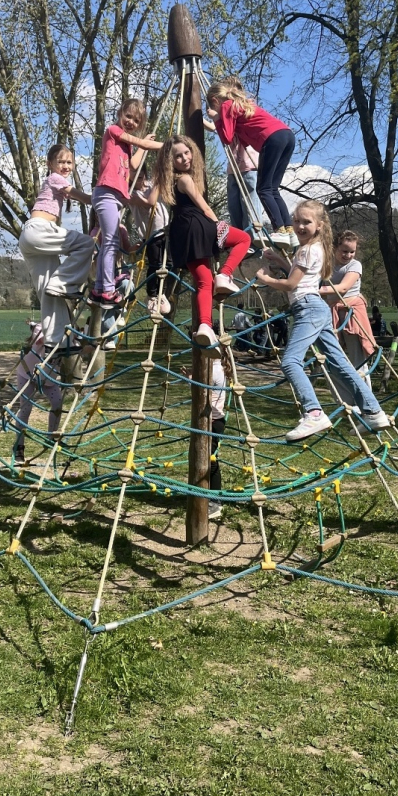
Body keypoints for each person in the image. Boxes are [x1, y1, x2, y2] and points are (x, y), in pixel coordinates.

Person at [256, 199, 390, 441]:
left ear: (318, 225)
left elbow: (291, 284)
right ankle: (373, 411)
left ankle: (314, 413)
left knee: (290, 361)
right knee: (339, 363)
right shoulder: (316, 248)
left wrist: (265, 279)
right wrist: (278, 260)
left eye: (306, 222)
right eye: (296, 221)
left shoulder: (306, 250)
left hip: (308, 308)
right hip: (316, 308)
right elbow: (300, 275)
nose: (299, 226)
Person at [151, 134, 251, 351]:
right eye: (178, 156)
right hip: (198, 225)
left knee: (204, 282)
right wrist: (218, 226)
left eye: (187, 152)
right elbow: (204, 207)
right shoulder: (185, 179)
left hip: (181, 233)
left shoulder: (168, 181)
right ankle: (225, 274)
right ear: (171, 161)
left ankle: (205, 326)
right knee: (244, 238)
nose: (185, 158)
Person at [18, 144, 95, 350]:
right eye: (61, 162)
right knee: (86, 243)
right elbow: (80, 195)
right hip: (39, 229)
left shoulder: (54, 182)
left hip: (30, 238)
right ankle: (64, 283)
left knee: (48, 291)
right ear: (50, 164)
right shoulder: (54, 178)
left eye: (69, 162)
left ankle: (57, 341)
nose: (65, 166)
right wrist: (101, 198)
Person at [206, 79, 295, 249]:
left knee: (263, 189)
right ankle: (289, 230)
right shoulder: (242, 104)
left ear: (215, 101)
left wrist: (217, 119)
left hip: (271, 138)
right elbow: (245, 138)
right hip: (287, 135)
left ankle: (280, 230)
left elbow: (227, 138)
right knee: (273, 189)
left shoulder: (226, 105)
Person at [90, 99, 161, 309]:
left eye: (136, 120)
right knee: (110, 242)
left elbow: (133, 165)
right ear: (120, 113)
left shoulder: (127, 145)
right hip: (105, 192)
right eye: (128, 116)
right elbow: (141, 143)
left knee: (110, 242)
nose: (131, 122)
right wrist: (167, 146)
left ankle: (99, 290)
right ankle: (107, 289)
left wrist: (144, 146)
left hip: (115, 197)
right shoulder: (113, 131)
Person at [319, 229, 377, 399]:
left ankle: (367, 401)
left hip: (351, 313)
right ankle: (345, 400)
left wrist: (314, 290)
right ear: (335, 248)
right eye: (344, 251)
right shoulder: (327, 264)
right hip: (333, 313)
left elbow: (343, 287)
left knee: (358, 360)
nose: (348, 255)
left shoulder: (354, 265)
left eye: (352, 251)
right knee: (332, 358)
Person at [12, 324, 64, 464]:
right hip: (27, 374)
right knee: (26, 409)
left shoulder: (69, 331)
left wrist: (94, 343)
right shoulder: (43, 326)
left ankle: (51, 437)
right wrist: (65, 335)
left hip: (48, 378)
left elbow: (81, 348)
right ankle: (19, 446)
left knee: (57, 403)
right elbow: (42, 340)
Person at [129, 167, 172, 315]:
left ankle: (162, 294)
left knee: (168, 264)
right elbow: (150, 202)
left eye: (140, 174)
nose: (138, 178)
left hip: (164, 230)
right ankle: (152, 295)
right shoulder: (130, 193)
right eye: (134, 175)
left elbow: (165, 183)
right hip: (150, 234)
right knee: (155, 264)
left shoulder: (152, 184)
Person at [208, 352, 231, 520]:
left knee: (211, 461)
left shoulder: (214, 370)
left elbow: (201, 393)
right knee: (207, 460)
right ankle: (207, 496)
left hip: (213, 422)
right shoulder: (217, 368)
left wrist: (192, 379)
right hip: (214, 421)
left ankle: (215, 502)